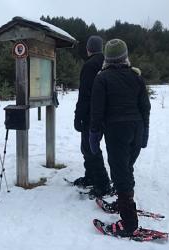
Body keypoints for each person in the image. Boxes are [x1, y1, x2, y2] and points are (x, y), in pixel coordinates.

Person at [90, 39, 151, 237]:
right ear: (125, 56)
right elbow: (145, 107)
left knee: (120, 173)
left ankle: (129, 223)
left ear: (107, 58)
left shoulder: (102, 78)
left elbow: (97, 111)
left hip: (117, 131)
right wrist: (145, 131)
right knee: (126, 168)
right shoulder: (136, 77)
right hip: (136, 128)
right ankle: (123, 201)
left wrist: (94, 135)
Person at [73, 35, 112, 196]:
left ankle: (102, 183)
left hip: (91, 114)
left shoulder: (90, 65)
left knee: (90, 147)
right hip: (107, 113)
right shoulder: (108, 62)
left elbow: (85, 94)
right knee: (88, 146)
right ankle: (91, 176)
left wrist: (78, 115)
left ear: (89, 48)